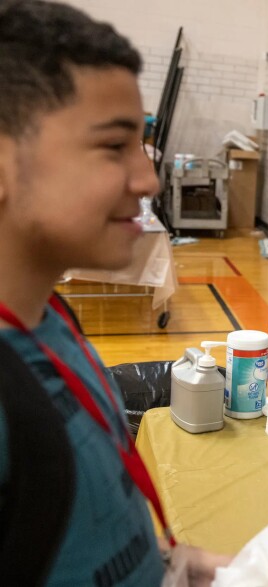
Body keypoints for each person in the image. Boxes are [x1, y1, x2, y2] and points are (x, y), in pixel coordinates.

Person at [0, 2, 230, 585]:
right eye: (112, 147)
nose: (148, 179)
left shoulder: (49, 315)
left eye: (142, 145)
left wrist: (173, 567)